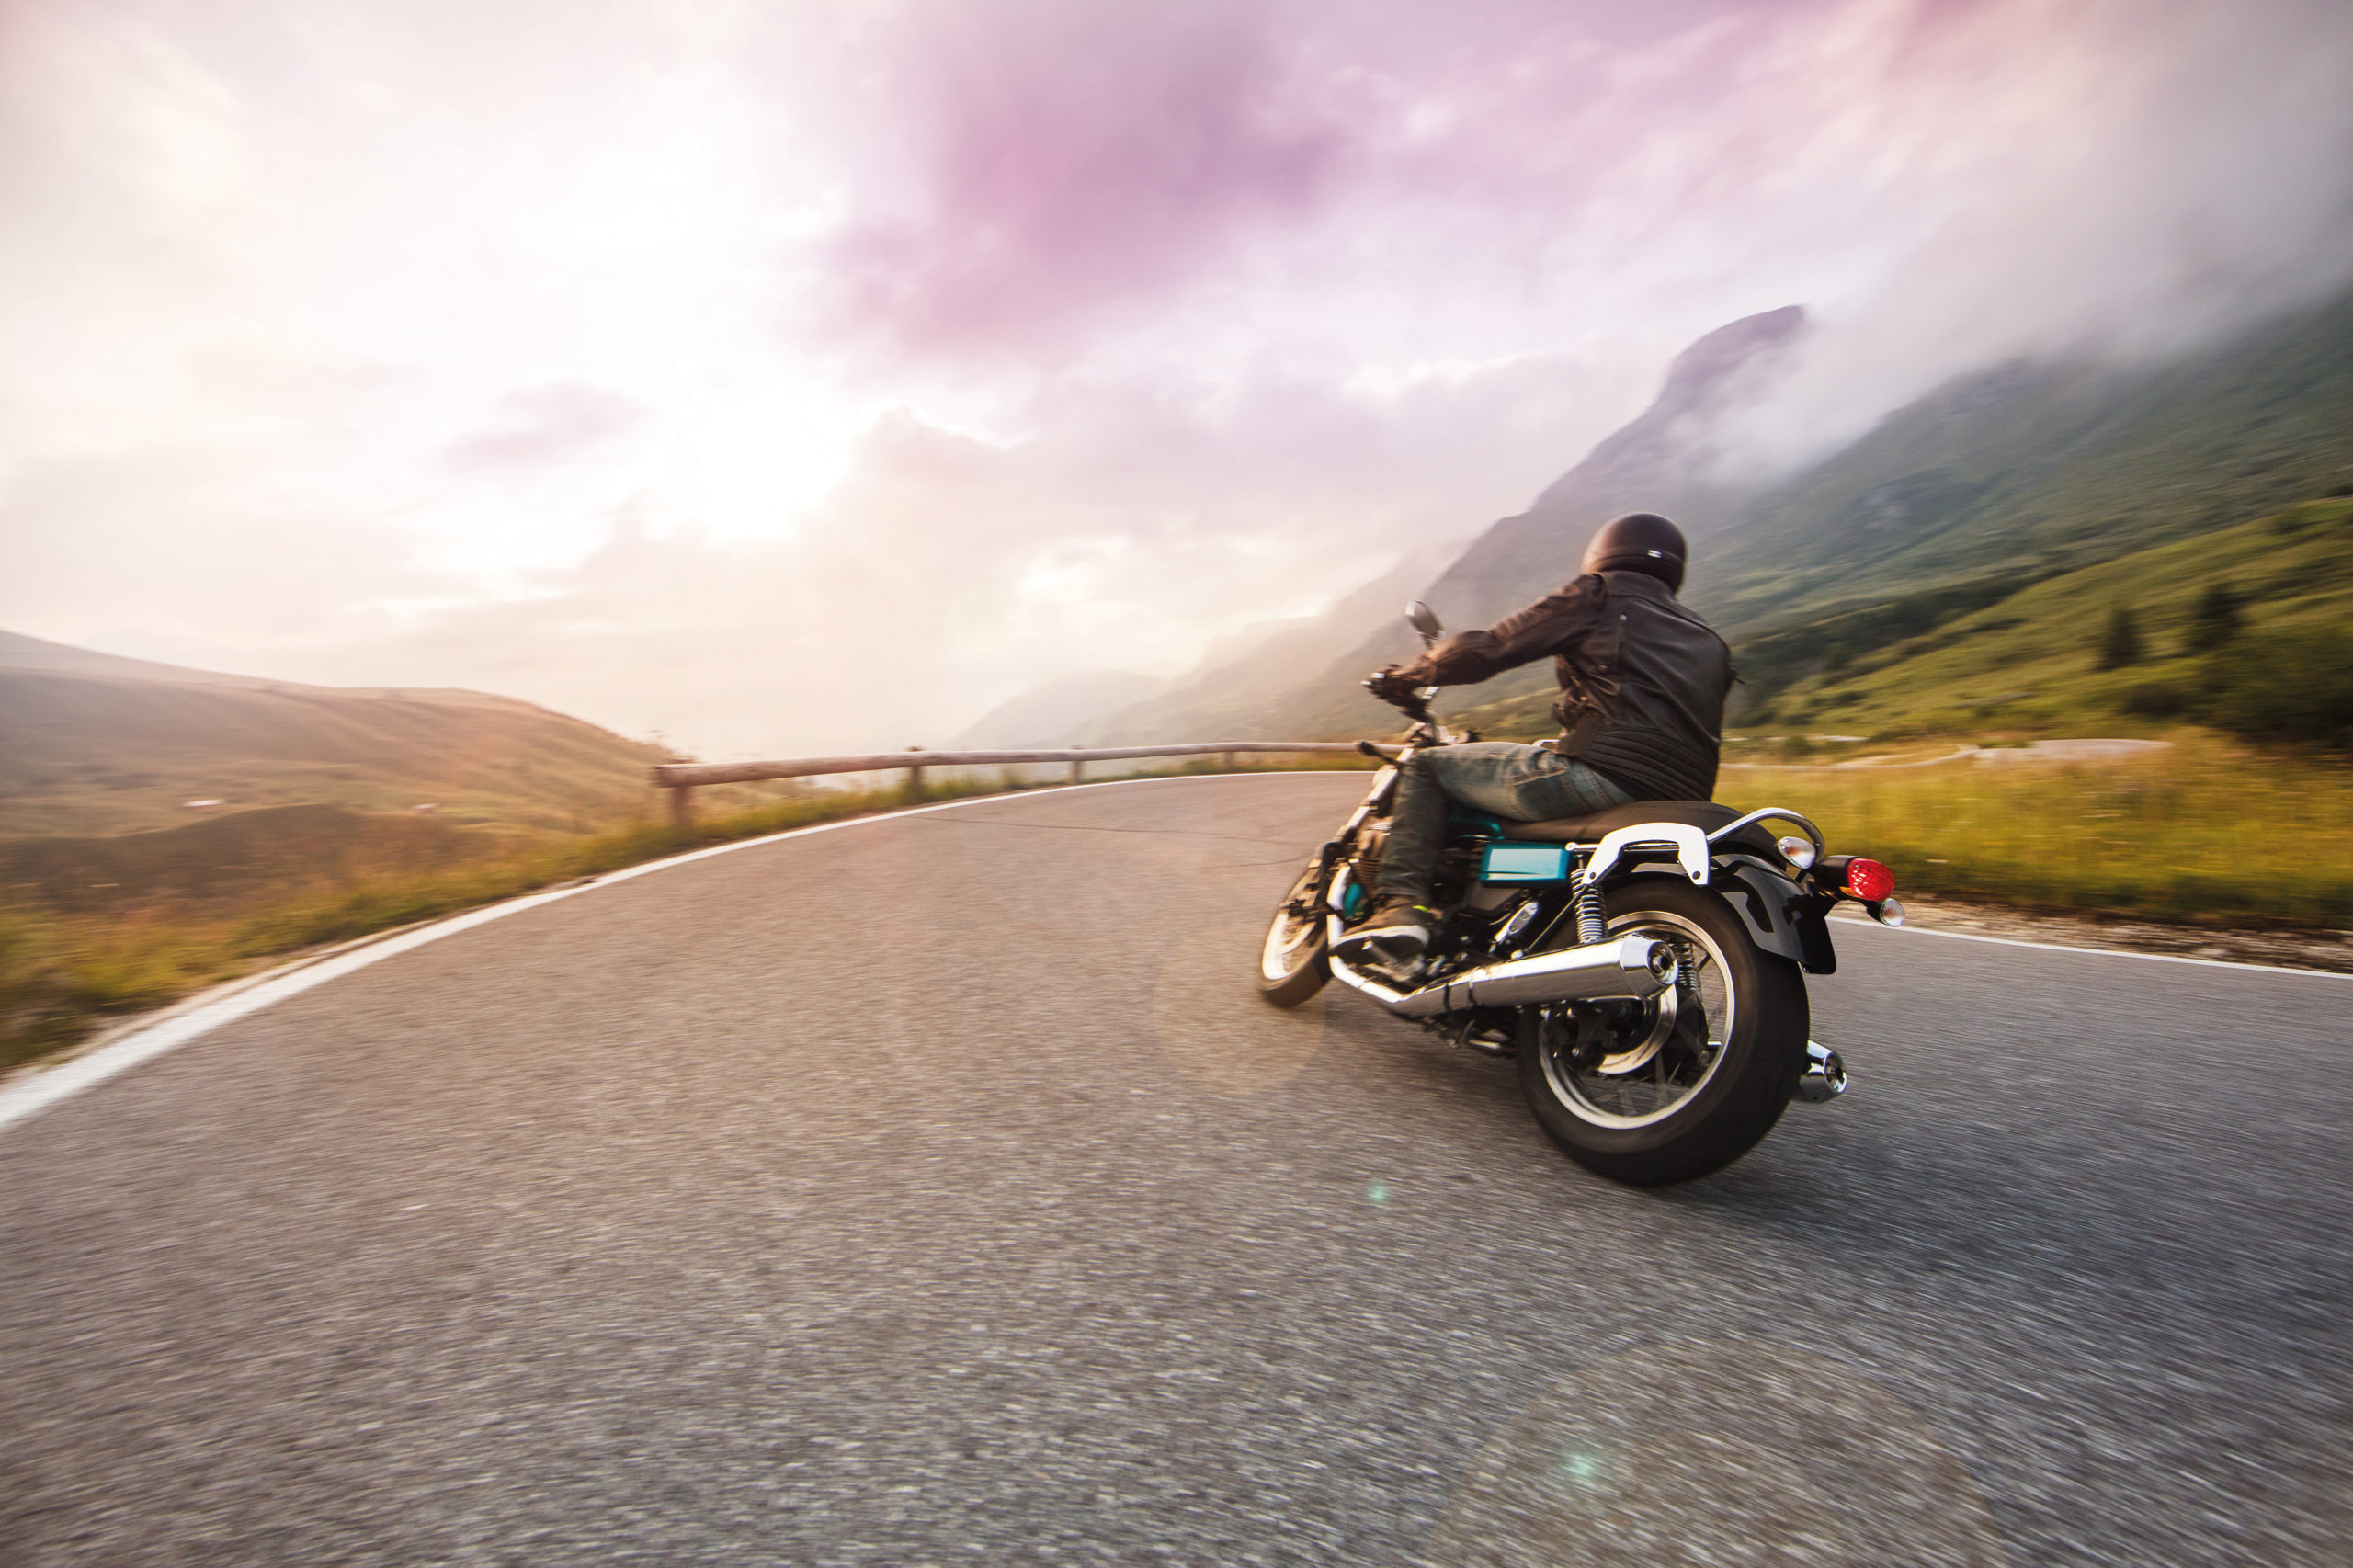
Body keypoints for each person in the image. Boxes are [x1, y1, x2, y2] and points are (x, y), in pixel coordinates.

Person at [1336, 512, 1733, 966]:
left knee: (1427, 767)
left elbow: (1491, 646)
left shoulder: (1600, 594)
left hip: (1602, 775)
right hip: (1680, 797)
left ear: (1603, 554)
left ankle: (1402, 907)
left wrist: (1413, 673)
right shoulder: (1708, 637)